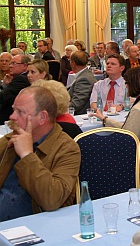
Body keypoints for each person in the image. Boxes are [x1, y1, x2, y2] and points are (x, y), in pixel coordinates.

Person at [0, 86, 81, 221]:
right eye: (14, 109)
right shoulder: (9, 141)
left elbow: (52, 200)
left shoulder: (66, 149)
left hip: (33, 225)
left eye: (20, 112)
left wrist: (27, 155)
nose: (12, 116)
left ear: (42, 117)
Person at [95, 66, 140, 143]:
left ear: (134, 84)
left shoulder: (138, 110)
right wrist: (105, 119)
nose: (126, 86)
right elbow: (127, 128)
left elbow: (128, 136)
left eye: (127, 83)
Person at [0, 54, 31, 123]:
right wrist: (5, 85)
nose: (10, 66)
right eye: (10, 63)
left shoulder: (21, 79)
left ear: (24, 66)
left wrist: (4, 86)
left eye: (14, 63)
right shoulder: (19, 78)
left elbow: (2, 97)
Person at [68, 51, 97, 115]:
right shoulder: (85, 74)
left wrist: (59, 110)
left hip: (79, 116)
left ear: (73, 63)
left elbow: (77, 103)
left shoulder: (84, 79)